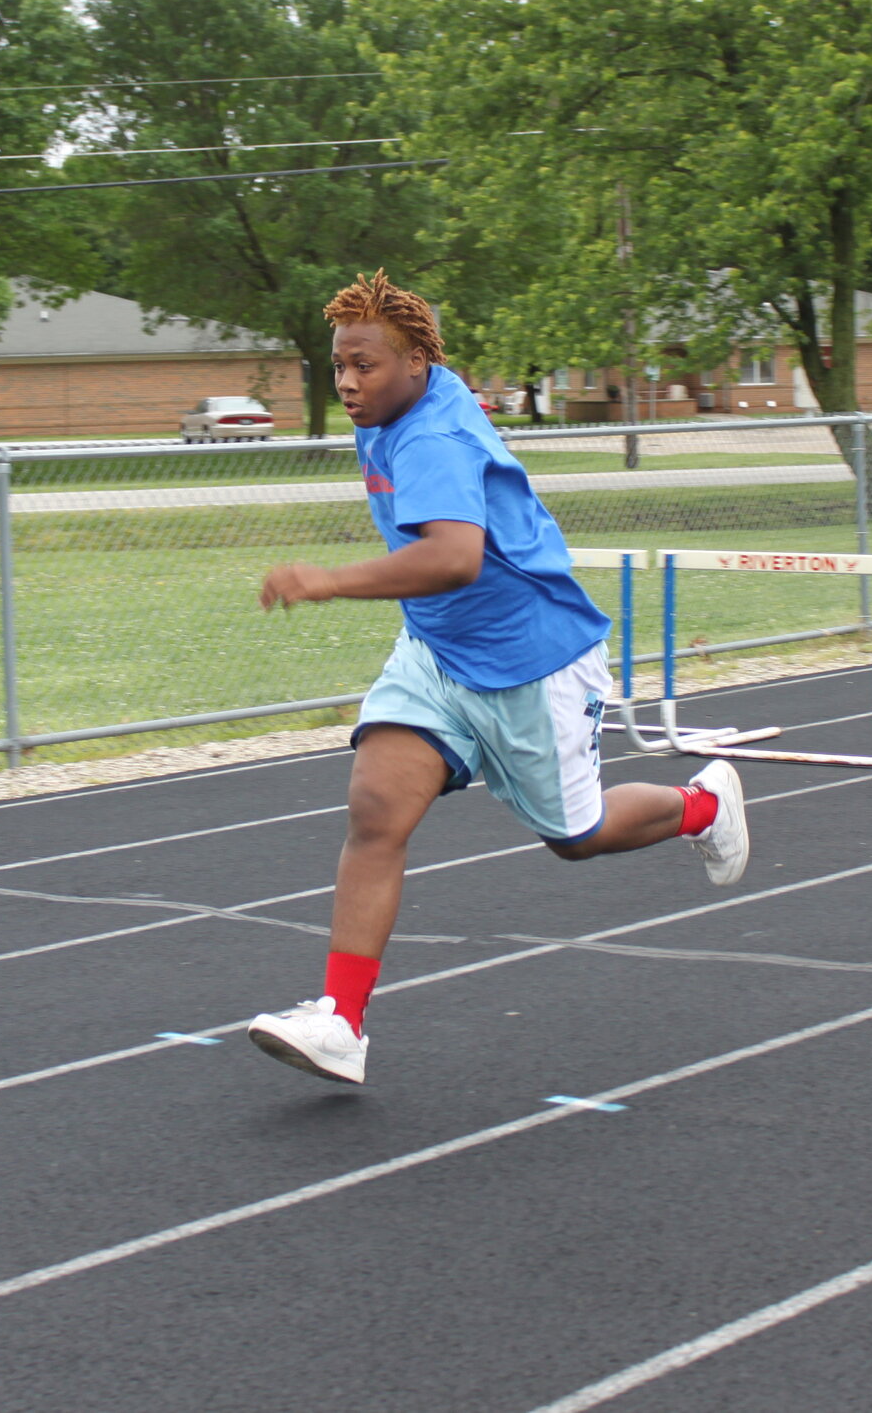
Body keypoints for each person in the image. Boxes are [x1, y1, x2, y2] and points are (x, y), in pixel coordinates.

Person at [245, 272, 749, 1085]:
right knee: (375, 806)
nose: (345, 382)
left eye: (363, 365)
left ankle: (704, 803)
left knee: (575, 837)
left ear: (415, 361)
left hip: (533, 660)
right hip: (440, 653)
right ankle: (341, 1020)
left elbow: (453, 556)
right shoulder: (390, 408)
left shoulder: (434, 436)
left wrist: (329, 579)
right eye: (337, 365)